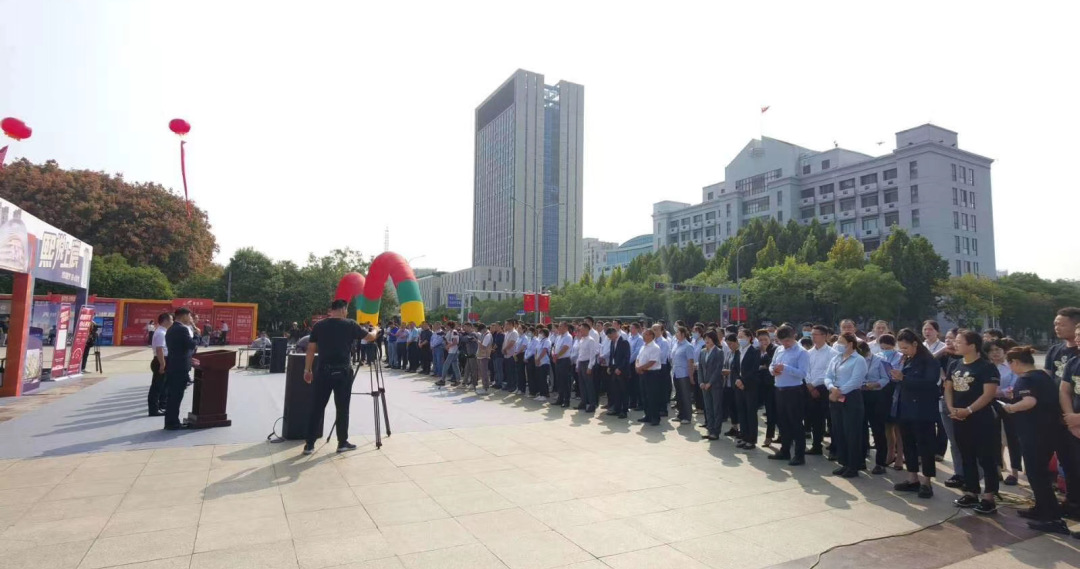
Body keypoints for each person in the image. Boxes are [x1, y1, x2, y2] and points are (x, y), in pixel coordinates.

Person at [1002, 346, 1072, 535]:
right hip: (1049, 432)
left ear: (1015, 362)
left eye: (1010, 364)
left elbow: (1029, 402)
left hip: (1035, 433)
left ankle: (1052, 517)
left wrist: (1010, 408)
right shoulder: (1042, 376)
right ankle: (1041, 508)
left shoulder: (1026, 379)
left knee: (1037, 474)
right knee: (1038, 472)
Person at [302, 299, 376, 455]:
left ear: (332, 310)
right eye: (346, 310)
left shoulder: (319, 326)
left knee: (317, 407)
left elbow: (311, 349)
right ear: (343, 309)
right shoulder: (350, 324)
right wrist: (376, 330)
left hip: (323, 371)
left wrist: (307, 370)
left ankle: (309, 444)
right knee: (342, 408)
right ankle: (342, 442)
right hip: (343, 372)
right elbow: (370, 337)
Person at [944, 330, 1000, 515]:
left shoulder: (986, 367)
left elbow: (988, 394)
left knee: (986, 458)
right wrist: (951, 408)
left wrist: (968, 410)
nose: (955, 344)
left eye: (959, 342)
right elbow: (948, 388)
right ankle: (971, 492)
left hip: (981, 419)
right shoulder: (955, 364)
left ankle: (989, 497)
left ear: (972, 345)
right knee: (966, 456)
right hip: (959, 418)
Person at [891, 328, 942, 499]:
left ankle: (926, 482)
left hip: (922, 410)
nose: (903, 351)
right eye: (901, 348)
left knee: (925, 446)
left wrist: (904, 378)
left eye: (905, 348)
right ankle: (912, 478)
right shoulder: (907, 359)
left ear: (915, 344)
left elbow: (929, 383)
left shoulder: (929, 360)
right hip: (905, 408)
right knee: (908, 445)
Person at [824, 332, 869, 477]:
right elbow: (828, 376)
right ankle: (844, 462)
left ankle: (854, 465)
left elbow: (856, 381)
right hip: (835, 396)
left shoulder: (859, 360)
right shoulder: (836, 358)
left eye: (841, 342)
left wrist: (839, 391)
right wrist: (832, 388)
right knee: (839, 431)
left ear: (850, 344)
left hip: (851, 397)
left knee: (852, 432)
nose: (838, 344)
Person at [768, 325, 810, 466]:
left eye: (787, 341)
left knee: (796, 423)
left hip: (794, 390)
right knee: (783, 422)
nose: (785, 344)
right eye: (782, 341)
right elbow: (772, 365)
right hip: (779, 388)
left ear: (794, 337)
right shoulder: (779, 349)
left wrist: (785, 368)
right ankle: (785, 450)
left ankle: (799, 455)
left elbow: (803, 373)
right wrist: (773, 371)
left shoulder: (801, 352)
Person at [987, 338, 1022, 486]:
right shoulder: (986, 367)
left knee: (1012, 437)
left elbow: (1014, 387)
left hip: (1009, 404)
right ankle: (997, 468)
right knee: (993, 437)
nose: (994, 353)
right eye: (991, 351)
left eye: (997, 350)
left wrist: (998, 392)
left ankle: (1014, 472)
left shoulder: (1011, 365)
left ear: (1004, 351)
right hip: (990, 404)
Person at [163, 308, 199, 430]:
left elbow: (181, 348)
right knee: (176, 396)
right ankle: (173, 423)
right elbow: (192, 344)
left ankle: (171, 421)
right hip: (179, 367)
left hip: (174, 365)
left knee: (173, 396)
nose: (191, 318)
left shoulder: (172, 328)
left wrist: (189, 358)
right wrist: (197, 334)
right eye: (189, 316)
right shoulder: (182, 329)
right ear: (184, 316)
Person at [805, 325, 833, 456]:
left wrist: (814, 384)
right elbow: (806, 370)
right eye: (812, 334)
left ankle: (834, 447)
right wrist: (810, 385)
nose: (813, 337)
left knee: (830, 419)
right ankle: (816, 445)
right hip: (810, 388)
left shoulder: (832, 353)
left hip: (825, 387)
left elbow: (828, 372)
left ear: (825, 336)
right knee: (815, 418)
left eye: (816, 334)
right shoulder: (809, 353)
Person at [735, 329, 761, 449]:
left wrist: (743, 381)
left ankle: (751, 439)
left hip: (750, 386)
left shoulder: (755, 351)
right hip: (739, 385)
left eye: (742, 337)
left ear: (749, 338)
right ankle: (744, 436)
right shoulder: (738, 351)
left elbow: (754, 370)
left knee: (751, 412)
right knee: (742, 411)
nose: (740, 339)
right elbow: (735, 368)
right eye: (739, 337)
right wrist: (737, 380)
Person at [698, 331, 724, 440]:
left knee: (716, 408)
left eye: (709, 338)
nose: (707, 340)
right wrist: (701, 382)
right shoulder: (702, 351)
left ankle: (716, 431)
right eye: (705, 338)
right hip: (704, 385)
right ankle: (710, 429)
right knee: (708, 408)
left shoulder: (719, 352)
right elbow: (700, 368)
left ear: (714, 339)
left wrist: (710, 383)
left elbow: (718, 369)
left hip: (715, 384)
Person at [636, 329, 663, 426]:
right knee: (644, 396)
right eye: (643, 334)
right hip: (643, 373)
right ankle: (648, 415)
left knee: (652, 396)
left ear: (651, 336)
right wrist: (637, 367)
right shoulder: (643, 346)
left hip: (652, 374)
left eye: (646, 335)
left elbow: (652, 362)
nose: (644, 336)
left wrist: (641, 368)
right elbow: (638, 358)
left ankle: (655, 418)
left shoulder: (655, 347)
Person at [670, 327, 697, 425]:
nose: (676, 334)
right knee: (679, 396)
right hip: (676, 373)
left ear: (683, 334)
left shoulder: (688, 346)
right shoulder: (676, 344)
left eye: (677, 332)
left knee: (685, 396)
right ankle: (680, 415)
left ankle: (687, 416)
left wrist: (691, 376)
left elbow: (690, 362)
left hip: (684, 374)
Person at [757, 329, 779, 446]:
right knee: (769, 412)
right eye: (760, 340)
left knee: (776, 412)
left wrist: (764, 366)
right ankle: (770, 436)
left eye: (765, 339)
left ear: (770, 339)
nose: (763, 342)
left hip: (774, 385)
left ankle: (773, 436)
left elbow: (771, 365)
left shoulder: (775, 349)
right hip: (763, 386)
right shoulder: (757, 351)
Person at [148, 312, 172, 417]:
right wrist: (162, 364)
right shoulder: (161, 333)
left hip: (162, 360)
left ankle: (158, 407)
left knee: (160, 386)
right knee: (156, 387)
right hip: (160, 360)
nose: (172, 322)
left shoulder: (163, 331)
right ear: (165, 321)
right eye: (171, 319)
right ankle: (153, 410)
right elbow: (159, 349)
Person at [575, 323, 601, 412]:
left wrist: (590, 367)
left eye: (581, 329)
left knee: (589, 385)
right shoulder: (581, 340)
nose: (580, 331)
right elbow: (580, 353)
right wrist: (577, 365)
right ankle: (583, 402)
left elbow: (592, 355)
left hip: (587, 363)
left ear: (587, 330)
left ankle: (592, 404)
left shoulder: (591, 340)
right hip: (581, 363)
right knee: (582, 385)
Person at [605, 327, 630, 418]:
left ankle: (624, 410)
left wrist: (620, 368)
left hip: (622, 370)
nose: (610, 339)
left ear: (614, 333)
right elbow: (612, 356)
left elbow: (626, 357)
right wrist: (609, 366)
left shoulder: (624, 342)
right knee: (615, 390)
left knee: (623, 390)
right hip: (614, 369)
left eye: (610, 336)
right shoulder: (612, 342)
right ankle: (617, 408)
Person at [553, 322, 574, 407]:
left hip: (564, 360)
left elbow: (565, 348)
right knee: (559, 380)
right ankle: (560, 399)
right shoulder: (559, 337)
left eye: (561, 326)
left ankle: (566, 400)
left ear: (566, 327)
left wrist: (557, 356)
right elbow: (555, 347)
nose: (559, 328)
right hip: (558, 360)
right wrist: (554, 355)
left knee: (565, 381)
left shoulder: (568, 337)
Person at [533, 327, 552, 403]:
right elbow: (536, 350)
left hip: (544, 362)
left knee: (543, 379)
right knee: (539, 379)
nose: (539, 334)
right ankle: (541, 394)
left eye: (541, 333)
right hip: (538, 362)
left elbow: (544, 351)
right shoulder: (540, 341)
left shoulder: (547, 341)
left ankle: (544, 394)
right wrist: (536, 359)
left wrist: (539, 359)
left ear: (545, 334)